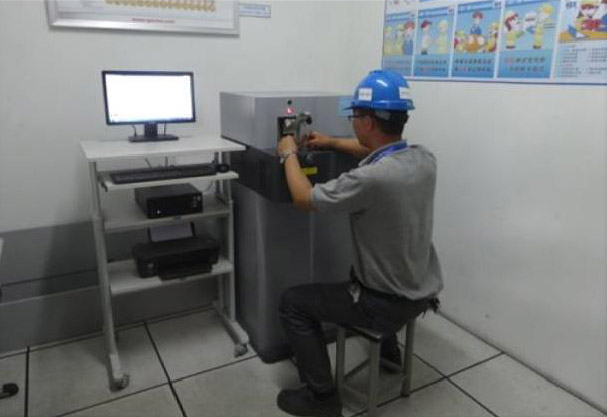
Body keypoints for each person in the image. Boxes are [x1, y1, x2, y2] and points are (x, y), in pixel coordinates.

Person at [275, 69, 443, 417]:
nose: (351, 122)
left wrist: (288, 153)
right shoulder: (424, 158)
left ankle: (321, 398)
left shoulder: (370, 180)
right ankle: (390, 354)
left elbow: (305, 199)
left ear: (367, 121)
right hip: (422, 289)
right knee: (364, 268)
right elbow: (380, 151)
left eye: (354, 116)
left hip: (383, 304)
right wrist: (332, 142)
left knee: (293, 303)